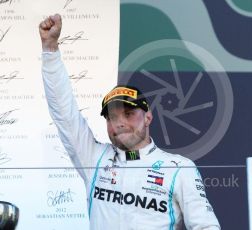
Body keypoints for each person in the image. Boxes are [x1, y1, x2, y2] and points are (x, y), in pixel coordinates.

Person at [39, 14, 221, 230]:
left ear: (148, 117)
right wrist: (50, 49)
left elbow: (206, 226)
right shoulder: (94, 158)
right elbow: (64, 112)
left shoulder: (179, 168)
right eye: (112, 117)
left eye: (128, 114)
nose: (120, 123)